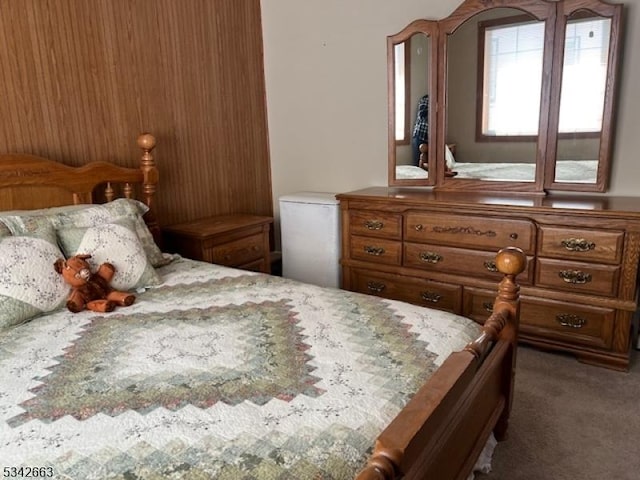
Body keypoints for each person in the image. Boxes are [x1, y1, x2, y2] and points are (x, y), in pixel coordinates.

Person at [411, 94, 429, 167]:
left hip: (429, 138)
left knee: (427, 166)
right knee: (418, 164)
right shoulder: (426, 99)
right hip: (420, 136)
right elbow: (422, 114)